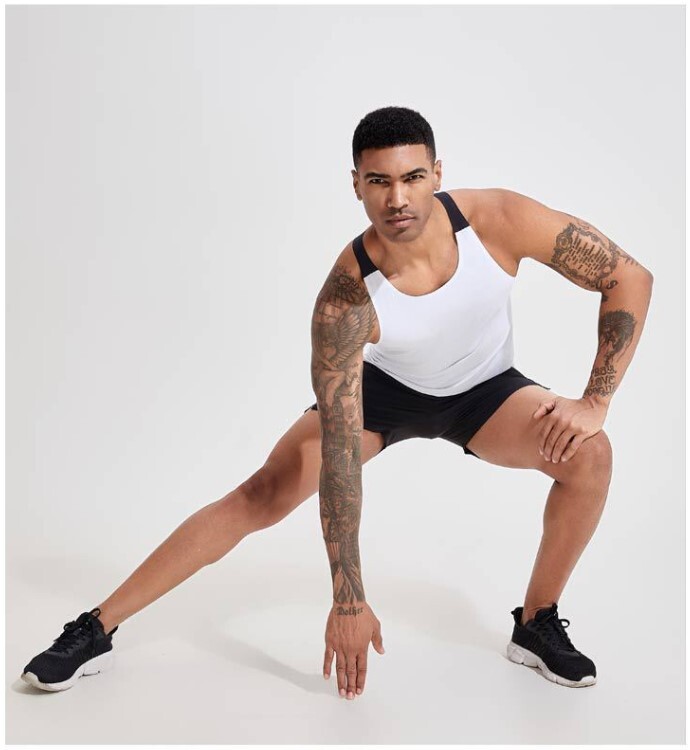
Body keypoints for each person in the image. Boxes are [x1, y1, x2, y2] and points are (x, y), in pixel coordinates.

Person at [21, 106, 653, 696]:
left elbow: (628, 276)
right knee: (261, 494)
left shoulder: (498, 220)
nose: (398, 198)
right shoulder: (346, 301)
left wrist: (594, 401)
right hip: (381, 396)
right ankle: (97, 627)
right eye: (379, 181)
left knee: (590, 455)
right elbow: (342, 460)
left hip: (485, 391)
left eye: (412, 177)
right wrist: (348, 599)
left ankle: (536, 622)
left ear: (437, 173)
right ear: (356, 185)